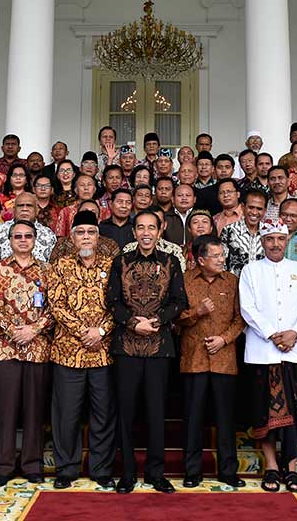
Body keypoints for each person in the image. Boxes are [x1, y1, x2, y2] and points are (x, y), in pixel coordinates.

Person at [107, 210, 188, 494]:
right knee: (126, 412)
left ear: (160, 230)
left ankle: (156, 473)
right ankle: (127, 473)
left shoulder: (171, 261)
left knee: (156, 412)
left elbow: (180, 301)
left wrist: (156, 321)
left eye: (151, 228)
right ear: (133, 232)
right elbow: (112, 301)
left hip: (158, 347)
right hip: (126, 348)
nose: (145, 232)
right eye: (140, 227)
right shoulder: (121, 262)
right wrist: (132, 322)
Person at [239, 218, 297, 493]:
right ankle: (271, 465)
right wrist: (272, 334)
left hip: (295, 352)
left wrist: (293, 332)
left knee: (294, 411)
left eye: (280, 239)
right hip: (263, 351)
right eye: (269, 239)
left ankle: (291, 469)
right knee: (263, 412)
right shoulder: (251, 271)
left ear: (287, 240)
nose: (275, 244)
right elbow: (248, 309)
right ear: (262, 242)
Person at [44, 212, 117, 490]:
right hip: (67, 352)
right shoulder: (59, 267)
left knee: (103, 413)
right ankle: (66, 468)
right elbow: (56, 305)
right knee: (66, 414)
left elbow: (118, 304)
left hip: (103, 352)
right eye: (80, 232)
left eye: (91, 232)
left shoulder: (113, 266)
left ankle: (101, 469)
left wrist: (100, 331)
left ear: (99, 237)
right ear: (71, 237)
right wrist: (83, 331)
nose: (86, 237)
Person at [0, 220, 54, 486]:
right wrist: (12, 329)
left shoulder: (47, 270)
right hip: (5, 349)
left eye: (28, 236)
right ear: (9, 240)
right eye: (17, 236)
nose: (23, 240)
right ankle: (3, 466)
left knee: (35, 411)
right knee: (7, 410)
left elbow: (55, 307)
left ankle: (32, 464)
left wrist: (33, 329)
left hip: (37, 348)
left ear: (35, 239)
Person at [179, 235, 245, 489]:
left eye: (222, 255)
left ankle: (228, 471)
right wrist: (197, 313)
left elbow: (240, 319)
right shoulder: (184, 281)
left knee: (226, 418)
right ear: (200, 259)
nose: (221, 260)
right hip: (193, 359)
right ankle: (192, 471)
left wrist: (224, 339)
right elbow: (176, 318)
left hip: (224, 359)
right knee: (193, 417)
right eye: (216, 256)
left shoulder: (232, 282)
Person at [0, 193, 57, 263]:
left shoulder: (48, 234)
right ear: (14, 209)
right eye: (20, 206)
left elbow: (52, 267)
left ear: (37, 210)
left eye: (29, 205)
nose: (24, 209)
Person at [220, 189, 266, 276]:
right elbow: (222, 262)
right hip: (234, 286)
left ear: (265, 211)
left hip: (263, 286)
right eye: (251, 207)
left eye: (259, 209)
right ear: (243, 207)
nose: (254, 212)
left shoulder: (268, 232)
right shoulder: (229, 231)